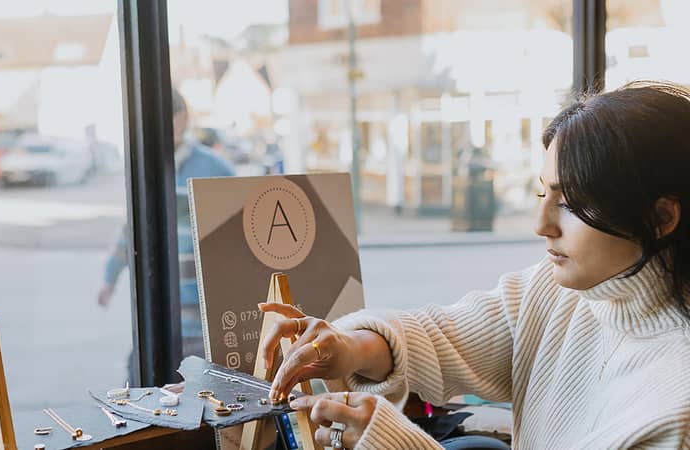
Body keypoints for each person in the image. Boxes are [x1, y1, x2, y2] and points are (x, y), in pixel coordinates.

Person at [259, 81, 690, 449]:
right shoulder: (559, 290)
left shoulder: (677, 412)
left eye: (573, 204)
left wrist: (392, 440)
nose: (541, 225)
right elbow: (442, 336)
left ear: (661, 218)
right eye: (544, 195)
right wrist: (349, 346)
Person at [98, 88, 235, 360]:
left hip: (205, 319)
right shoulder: (145, 167)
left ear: (182, 119)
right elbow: (131, 229)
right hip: (157, 314)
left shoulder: (215, 169)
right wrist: (109, 279)